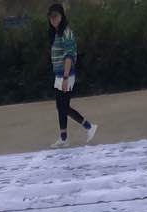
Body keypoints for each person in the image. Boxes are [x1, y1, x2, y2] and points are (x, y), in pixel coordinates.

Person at [47, 3, 97, 147]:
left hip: (66, 75)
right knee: (61, 106)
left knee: (64, 106)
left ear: (61, 16)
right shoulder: (55, 33)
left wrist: (65, 77)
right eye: (51, 17)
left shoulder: (66, 32)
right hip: (58, 74)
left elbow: (69, 56)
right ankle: (64, 138)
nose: (53, 19)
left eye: (56, 16)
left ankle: (89, 126)